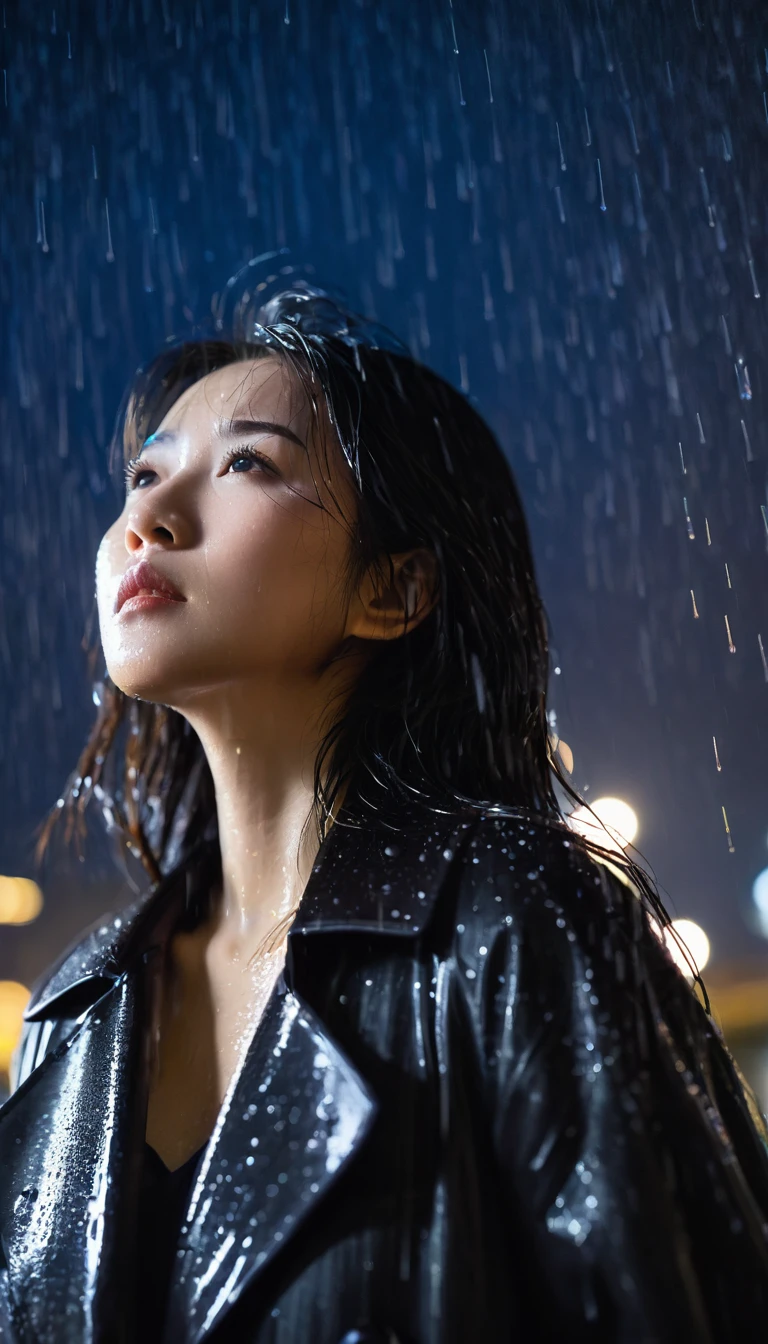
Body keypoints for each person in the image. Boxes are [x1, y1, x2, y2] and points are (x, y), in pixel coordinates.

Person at [2, 281, 768, 1344]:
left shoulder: (522, 922)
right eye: (143, 473)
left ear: (393, 592)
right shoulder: (71, 1013)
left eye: (245, 463)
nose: (149, 519)